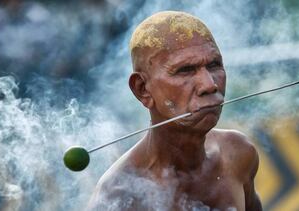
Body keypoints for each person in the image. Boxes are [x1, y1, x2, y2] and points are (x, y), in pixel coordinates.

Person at [88, 11, 262, 210]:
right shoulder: (119, 198)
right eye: (185, 70)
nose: (209, 84)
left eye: (214, 65)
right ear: (143, 89)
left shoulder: (236, 154)